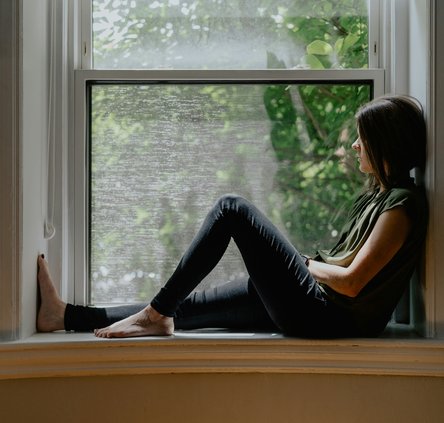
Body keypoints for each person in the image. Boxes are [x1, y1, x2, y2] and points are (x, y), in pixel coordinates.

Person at [37, 95, 428, 339]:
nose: (356, 145)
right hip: (317, 308)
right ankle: (65, 316)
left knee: (232, 208)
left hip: (326, 317)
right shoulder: (380, 196)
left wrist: (301, 263)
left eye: (364, 138)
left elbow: (353, 283)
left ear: (385, 144)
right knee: (181, 308)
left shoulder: (401, 207)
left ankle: (153, 315)